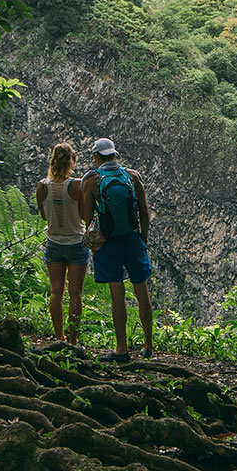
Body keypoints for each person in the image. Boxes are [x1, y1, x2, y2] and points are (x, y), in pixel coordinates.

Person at [79, 137, 153, 361]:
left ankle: (121, 349)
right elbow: (144, 211)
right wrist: (143, 239)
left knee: (117, 293)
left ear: (96, 157)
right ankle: (148, 345)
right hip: (132, 238)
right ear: (115, 155)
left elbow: (87, 217)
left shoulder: (91, 181)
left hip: (109, 242)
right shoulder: (132, 176)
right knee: (141, 289)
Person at [34, 142, 88, 345]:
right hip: (75, 243)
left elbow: (44, 216)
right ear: (71, 162)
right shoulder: (77, 185)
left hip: (53, 242)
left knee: (56, 291)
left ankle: (58, 336)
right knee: (76, 293)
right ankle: (73, 340)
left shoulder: (43, 185)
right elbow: (84, 215)